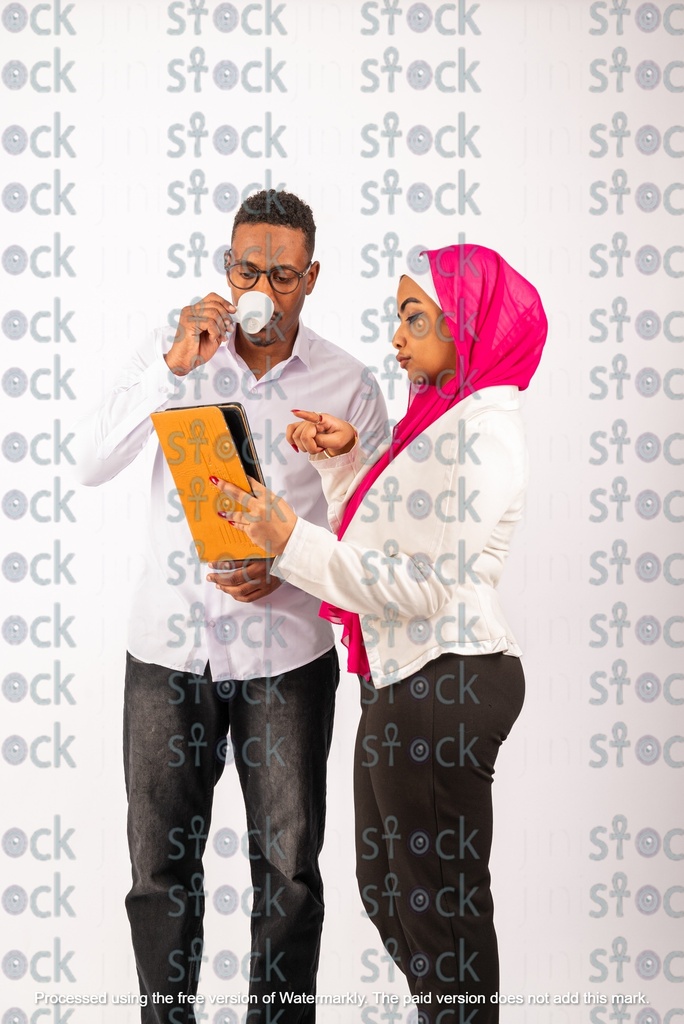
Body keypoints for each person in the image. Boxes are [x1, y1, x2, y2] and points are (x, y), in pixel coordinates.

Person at [72, 189, 388, 1024]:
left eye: (282, 275)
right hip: (167, 652)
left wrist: (288, 568)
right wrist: (172, 364)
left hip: (286, 659)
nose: (263, 289)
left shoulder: (349, 385)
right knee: (157, 869)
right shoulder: (177, 354)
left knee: (287, 872)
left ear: (310, 277)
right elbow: (91, 461)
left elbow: (377, 540)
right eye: (249, 268)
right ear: (227, 267)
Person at [211, 242, 548, 1021]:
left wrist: (284, 538)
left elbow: (420, 588)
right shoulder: (443, 419)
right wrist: (348, 462)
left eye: (415, 317)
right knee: (389, 890)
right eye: (399, 316)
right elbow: (388, 545)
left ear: (468, 326)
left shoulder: (481, 438)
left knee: (440, 913)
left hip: (449, 675)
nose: (396, 337)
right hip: (409, 679)